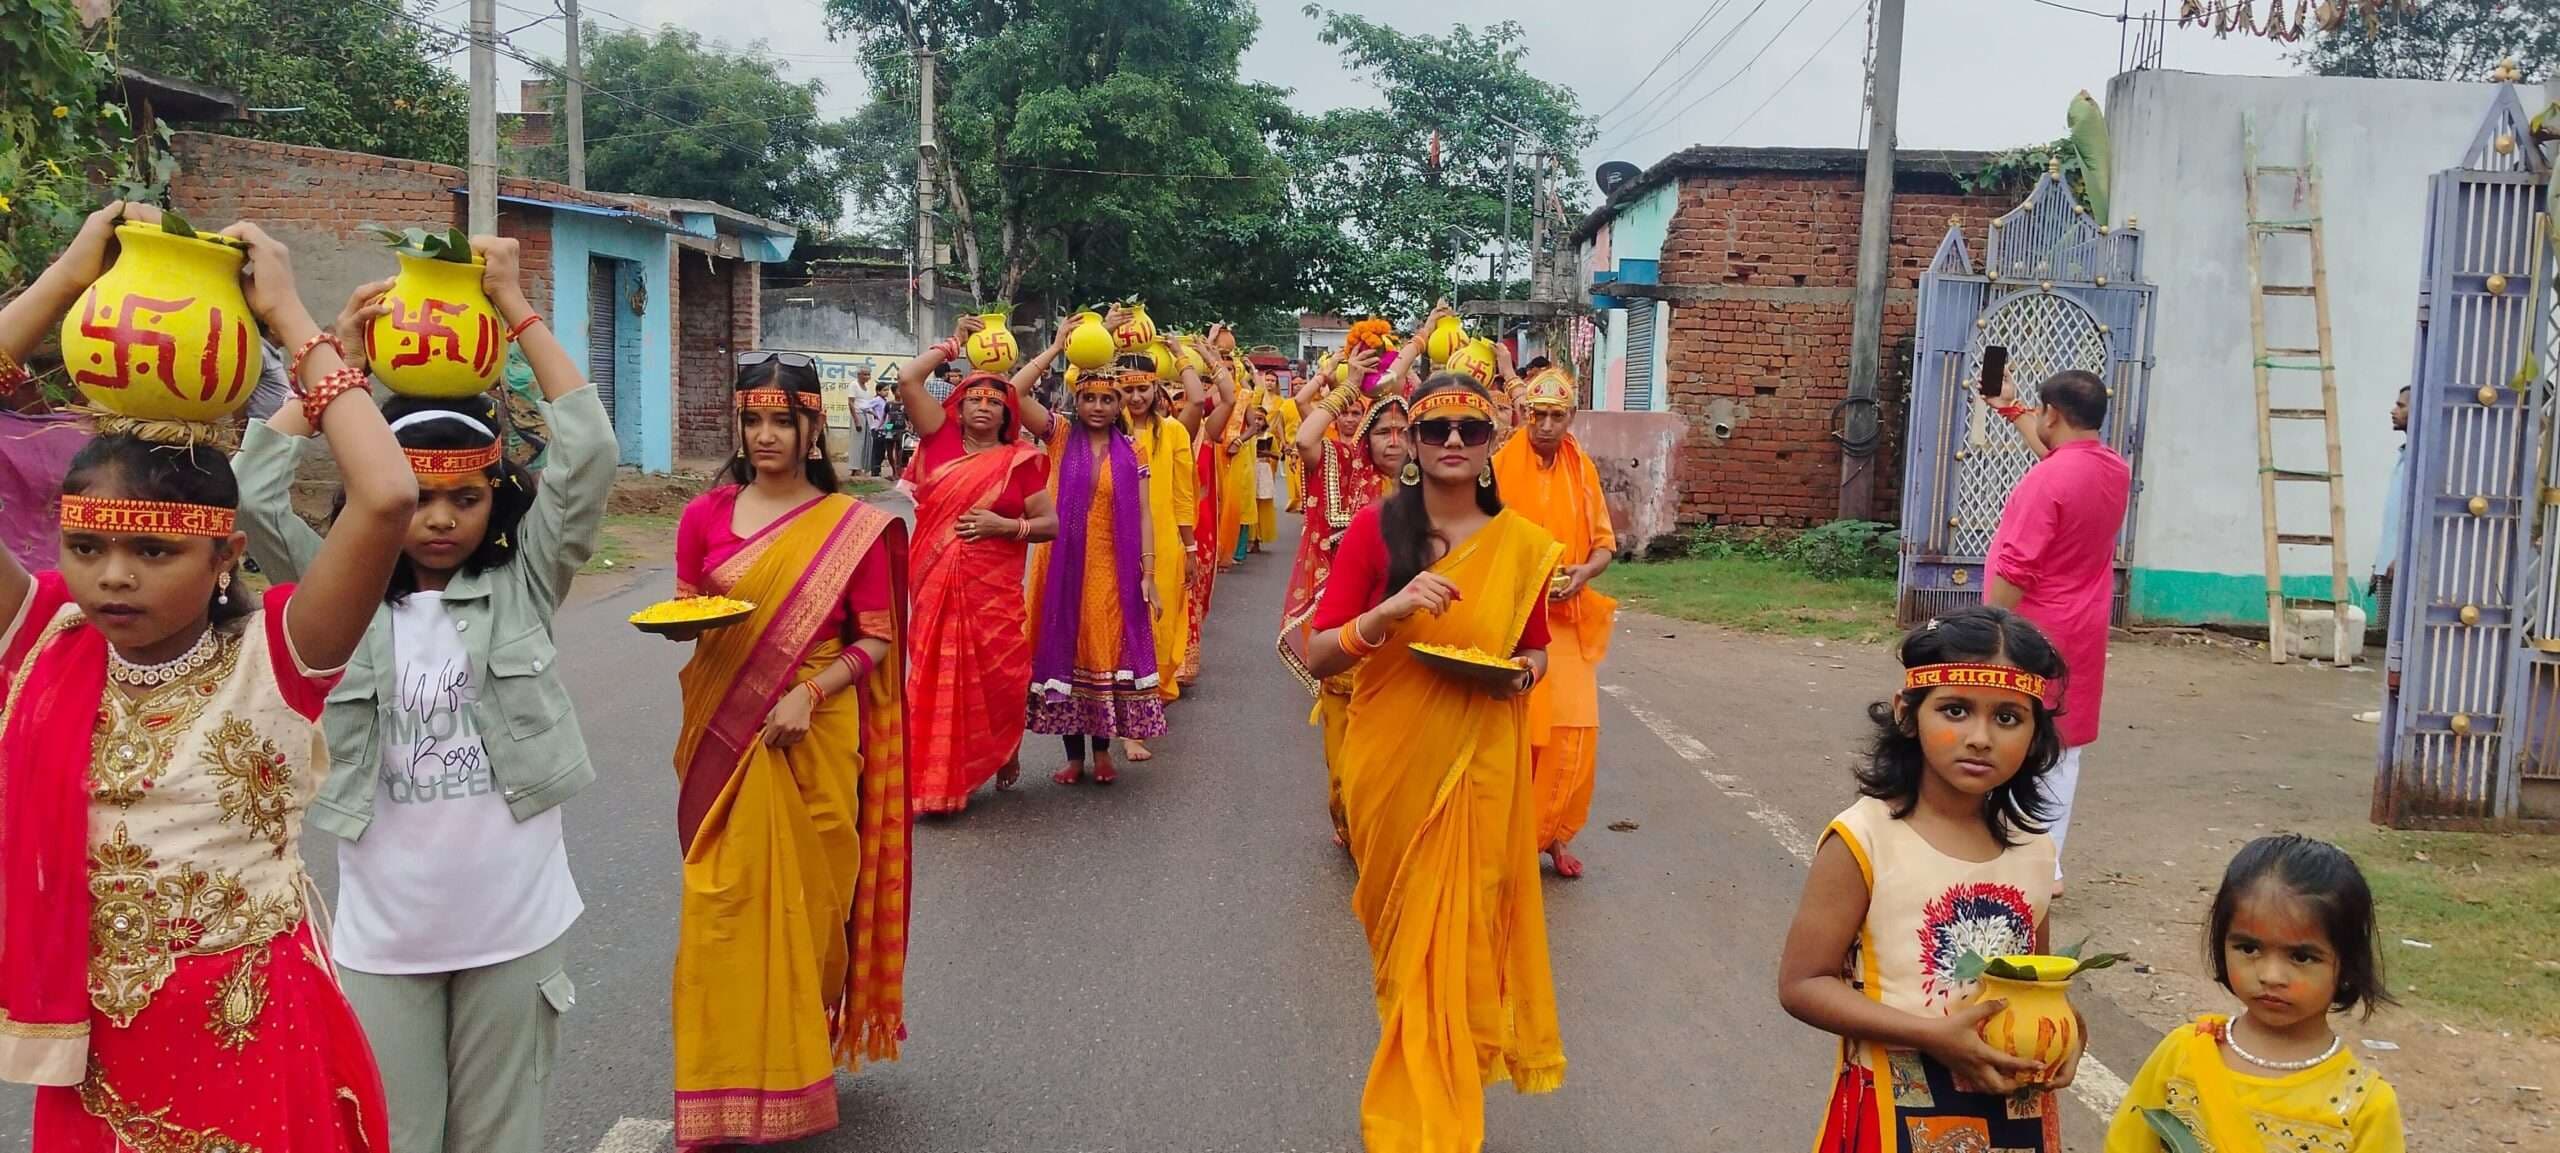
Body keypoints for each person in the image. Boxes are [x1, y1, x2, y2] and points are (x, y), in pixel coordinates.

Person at [0, 206, 414, 1150]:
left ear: (225, 554)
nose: (112, 576)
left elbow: (388, 492)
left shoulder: (280, 653)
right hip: (98, 1052)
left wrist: (289, 316)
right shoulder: (43, 638)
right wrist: (69, 276)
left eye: (153, 551)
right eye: (86, 547)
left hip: (253, 1036)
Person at [234, 237, 610, 1153]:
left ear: (496, 499)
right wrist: (337, 365)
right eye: (415, 498)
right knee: (389, 1138)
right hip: (384, 941)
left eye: (465, 499)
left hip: (517, 926)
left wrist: (515, 306)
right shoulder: (335, 594)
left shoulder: (526, 580)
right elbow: (250, 493)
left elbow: (589, 449)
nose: (438, 520)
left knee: (500, 1142)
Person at [1302, 373, 1567, 1152]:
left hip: (1481, 762)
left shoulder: (1521, 544)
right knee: (1404, 940)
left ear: (1490, 445)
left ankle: (1431, 1119)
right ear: (1413, 443)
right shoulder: (1375, 531)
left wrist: (1520, 675)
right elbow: (1319, 653)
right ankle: (1419, 1095)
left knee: (1459, 938)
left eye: (1470, 429)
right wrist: (1387, 611)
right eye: (1436, 428)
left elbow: (1536, 649)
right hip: (1389, 763)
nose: (1454, 440)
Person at [662, 353, 911, 1147]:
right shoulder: (703, 516)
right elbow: (690, 608)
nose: (765, 435)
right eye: (753, 420)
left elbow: (876, 638)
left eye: (782, 421)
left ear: (812, 430)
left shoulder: (847, 526)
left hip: (816, 729)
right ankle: (723, 1076)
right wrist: (686, 626)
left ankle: (795, 1054)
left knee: (816, 907)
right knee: (721, 904)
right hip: (725, 727)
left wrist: (812, 693)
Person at [1777, 605, 2074, 1153]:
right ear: (1908, 714)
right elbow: (1803, 984)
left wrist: (2070, 1033)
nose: (1980, 737)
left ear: (2036, 734)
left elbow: (2038, 982)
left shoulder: (2034, 851)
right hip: (1893, 1114)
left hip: (2015, 1110)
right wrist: (1933, 1035)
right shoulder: (1863, 840)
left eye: (2008, 718)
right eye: (1955, 710)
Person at [2104, 835, 2405, 1152]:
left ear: (2348, 965)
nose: (2270, 976)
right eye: (2249, 948)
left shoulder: (2362, 1106)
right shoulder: (2184, 1055)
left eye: (2301, 956)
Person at [896, 321, 1057, 813]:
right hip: (933, 580)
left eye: (994, 401)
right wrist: (952, 345)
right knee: (933, 677)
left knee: (1003, 678)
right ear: (959, 407)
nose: (984, 406)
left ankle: (1000, 746)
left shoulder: (1020, 460)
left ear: (1008, 412)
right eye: (974, 399)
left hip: (994, 592)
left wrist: (1005, 526)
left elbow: (1048, 524)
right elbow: (908, 379)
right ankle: (935, 780)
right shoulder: (938, 438)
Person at [1984, 368, 2131, 895]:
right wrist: (2010, 408)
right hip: (2082, 629)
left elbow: (2016, 566)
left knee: (2009, 736)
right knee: (2062, 747)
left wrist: (1988, 628)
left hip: (2030, 628)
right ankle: (2049, 865)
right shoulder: (2113, 469)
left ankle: (2013, 857)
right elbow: (2062, 457)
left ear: (2053, 413)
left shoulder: (2046, 481)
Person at [1015, 353, 1167, 785]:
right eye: (1089, 398)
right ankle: (1073, 758)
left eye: (1107, 399)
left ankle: (1101, 752)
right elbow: (1015, 393)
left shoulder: (1132, 450)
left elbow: (1143, 515)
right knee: (1065, 648)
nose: (1098, 407)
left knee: (1100, 653)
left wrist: (1149, 574)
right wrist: (1056, 346)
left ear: (1119, 406)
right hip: (1060, 567)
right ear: (1076, 402)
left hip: (1111, 569)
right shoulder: (1060, 436)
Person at [1493, 367, 1617, 879]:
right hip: (1512, 618)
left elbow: (1604, 545)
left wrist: (1583, 573)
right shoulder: (1499, 466)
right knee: (1522, 731)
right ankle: (1511, 836)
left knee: (1574, 732)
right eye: (1538, 415)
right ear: (1525, 414)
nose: (1546, 426)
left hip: (1566, 619)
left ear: (1571, 418)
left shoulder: (1581, 470)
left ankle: (1555, 834)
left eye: (1556, 417)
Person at [1280, 369, 1407, 848]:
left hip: (1405, 643)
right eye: (1383, 431)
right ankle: (1351, 823)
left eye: (1403, 432)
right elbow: (1305, 437)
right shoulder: (1343, 467)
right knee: (1343, 755)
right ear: (1366, 438)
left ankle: (1383, 831)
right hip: (1346, 636)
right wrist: (1350, 385)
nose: (1393, 442)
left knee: (1394, 749)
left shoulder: (1432, 489)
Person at [871, 381, 905, 478]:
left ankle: (898, 471)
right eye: (899, 391)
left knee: (900, 451)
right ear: (894, 392)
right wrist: (879, 426)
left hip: (901, 429)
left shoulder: (906, 404)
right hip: (890, 428)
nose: (901, 392)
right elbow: (885, 417)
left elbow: (909, 418)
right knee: (889, 451)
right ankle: (894, 471)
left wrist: (910, 427)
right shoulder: (889, 404)